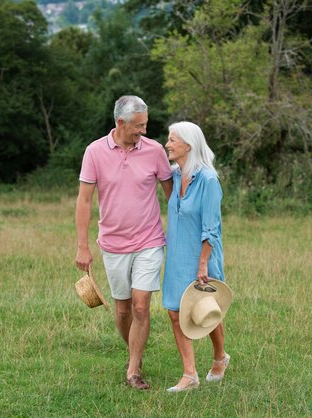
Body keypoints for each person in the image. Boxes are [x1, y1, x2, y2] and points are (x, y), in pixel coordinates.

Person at [75, 95, 173, 390]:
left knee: (142, 306)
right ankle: (135, 354)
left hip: (149, 240)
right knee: (123, 309)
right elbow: (84, 200)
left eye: (146, 124)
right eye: (139, 125)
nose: (144, 130)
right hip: (113, 244)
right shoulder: (94, 152)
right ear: (121, 122)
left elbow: (173, 197)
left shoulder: (155, 151)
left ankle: (133, 370)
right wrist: (82, 245)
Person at [162, 121, 229, 392]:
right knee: (174, 311)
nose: (167, 144)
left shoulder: (209, 180)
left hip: (202, 255)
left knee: (205, 310)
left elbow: (211, 229)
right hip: (177, 255)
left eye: (172, 140)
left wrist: (203, 263)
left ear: (188, 145)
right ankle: (189, 375)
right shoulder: (176, 175)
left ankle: (219, 357)